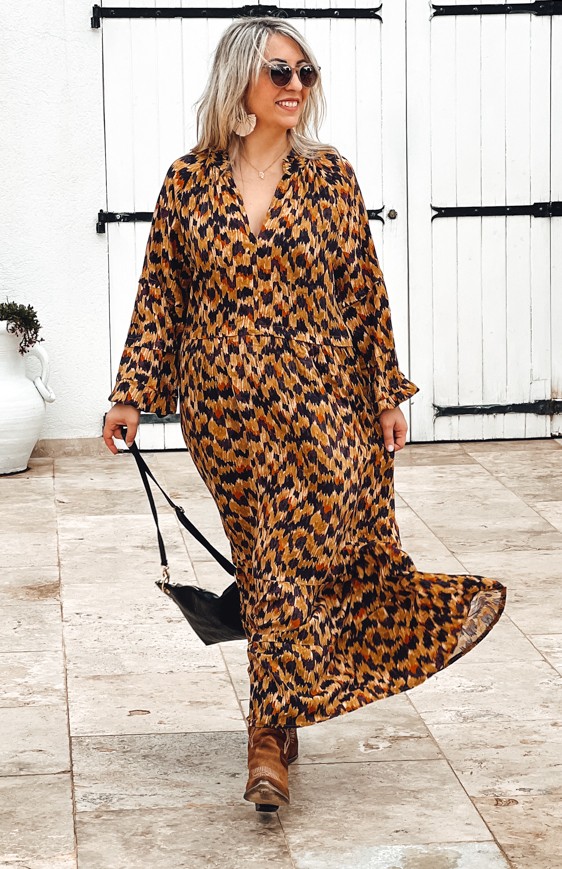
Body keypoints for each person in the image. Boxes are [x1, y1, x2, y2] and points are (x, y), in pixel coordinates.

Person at [103, 17, 506, 813]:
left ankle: (271, 732)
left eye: (305, 73)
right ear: (240, 83)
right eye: (280, 71)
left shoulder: (330, 178)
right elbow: (161, 295)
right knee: (268, 561)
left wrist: (385, 393)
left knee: (299, 557)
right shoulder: (188, 182)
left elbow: (363, 292)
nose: (296, 86)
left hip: (325, 405)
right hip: (223, 412)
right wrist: (131, 393)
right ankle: (274, 729)